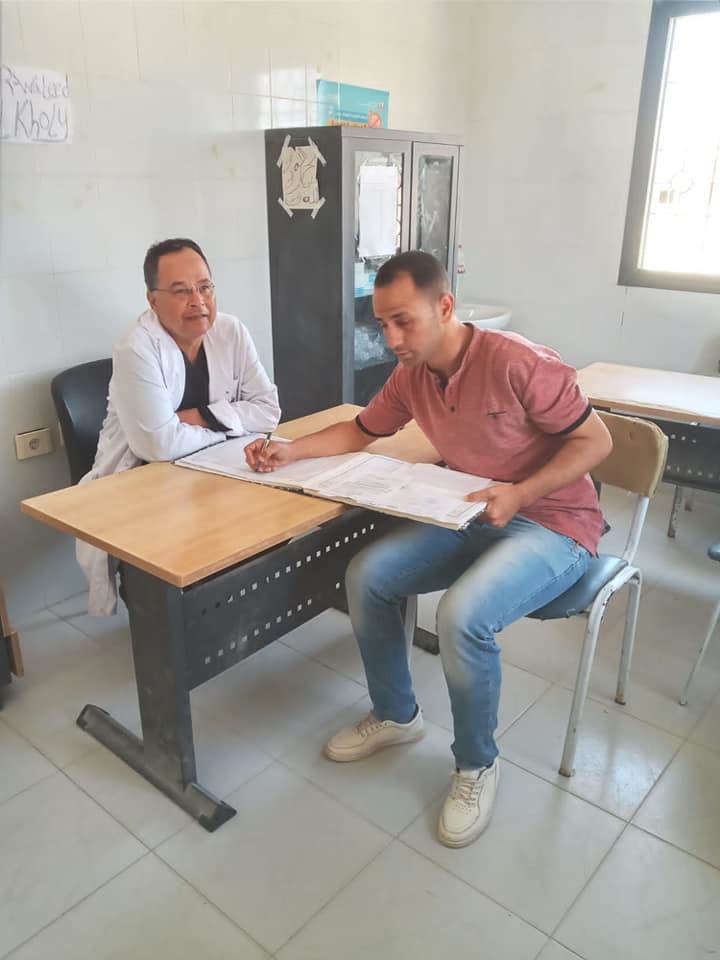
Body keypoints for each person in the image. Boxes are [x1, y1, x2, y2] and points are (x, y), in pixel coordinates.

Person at [246, 250, 612, 849]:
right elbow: (361, 430)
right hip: (472, 511)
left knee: (463, 616)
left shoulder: (518, 362)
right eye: (382, 324)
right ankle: (397, 715)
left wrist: (521, 493)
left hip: (554, 523)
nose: (392, 339)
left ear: (445, 306)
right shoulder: (412, 375)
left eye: (404, 321)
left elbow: (595, 442)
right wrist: (290, 449)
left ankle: (477, 764)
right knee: (368, 575)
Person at [78, 237, 280, 615]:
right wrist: (231, 421)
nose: (198, 301)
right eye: (181, 291)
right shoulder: (137, 347)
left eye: (205, 287)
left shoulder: (231, 331)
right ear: (152, 300)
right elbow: (157, 446)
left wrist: (199, 416)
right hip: (146, 482)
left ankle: (242, 611)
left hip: (214, 472)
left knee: (272, 523)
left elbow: (269, 411)